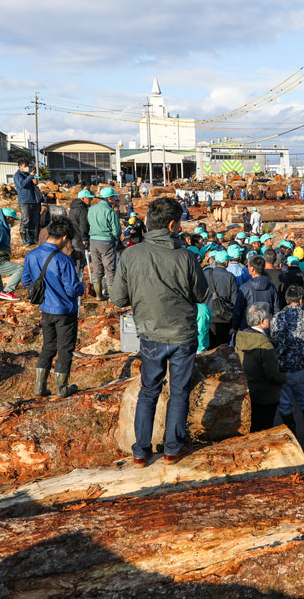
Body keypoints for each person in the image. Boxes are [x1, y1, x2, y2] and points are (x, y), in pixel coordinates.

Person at [111, 197, 209, 467]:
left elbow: (118, 298)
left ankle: (141, 452)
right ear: (172, 225)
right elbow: (202, 295)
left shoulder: (130, 255)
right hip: (182, 334)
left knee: (149, 391)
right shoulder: (186, 257)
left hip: (149, 333)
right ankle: (172, 450)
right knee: (179, 393)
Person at [21, 217, 85, 399]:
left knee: (48, 347)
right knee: (65, 349)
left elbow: (26, 281)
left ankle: (40, 388)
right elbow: (72, 289)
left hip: (46, 308)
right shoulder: (64, 260)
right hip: (65, 310)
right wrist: (82, 287)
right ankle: (62, 389)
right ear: (64, 237)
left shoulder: (31, 255)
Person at [270, 285, 304, 441]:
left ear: (286, 299)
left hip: (283, 368)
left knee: (284, 403)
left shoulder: (277, 318)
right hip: (303, 367)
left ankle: (292, 435)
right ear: (301, 299)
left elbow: (274, 342)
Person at [235, 302, 287, 431]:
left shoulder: (241, 337)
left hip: (248, 390)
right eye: (269, 316)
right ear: (262, 321)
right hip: (266, 395)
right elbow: (272, 374)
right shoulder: (265, 345)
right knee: (266, 428)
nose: (270, 318)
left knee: (253, 427)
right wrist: (284, 378)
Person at [87, 187, 123, 300]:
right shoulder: (110, 211)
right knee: (110, 269)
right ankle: (112, 296)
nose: (115, 199)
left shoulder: (91, 209)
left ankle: (99, 295)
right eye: (114, 197)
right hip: (106, 241)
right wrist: (116, 238)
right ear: (109, 198)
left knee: (97, 269)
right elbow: (116, 231)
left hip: (93, 241)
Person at [205, 250, 239, 349]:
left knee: (210, 347)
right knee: (223, 348)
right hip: (224, 317)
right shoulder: (230, 276)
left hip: (208, 315)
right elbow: (234, 300)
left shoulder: (206, 274)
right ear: (226, 262)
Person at [235, 255, 281, 329]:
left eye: (248, 266)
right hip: (266, 326)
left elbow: (238, 310)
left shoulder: (245, 288)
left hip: (248, 326)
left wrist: (234, 326)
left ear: (252, 268)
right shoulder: (272, 287)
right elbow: (276, 308)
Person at [14, 158, 41, 246]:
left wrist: (34, 179)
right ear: (20, 166)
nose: (27, 168)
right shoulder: (17, 175)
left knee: (34, 221)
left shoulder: (27, 175)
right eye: (25, 166)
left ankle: (33, 238)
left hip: (34, 200)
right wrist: (30, 177)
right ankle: (24, 239)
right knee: (26, 220)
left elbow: (32, 184)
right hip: (25, 201)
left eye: (27, 166)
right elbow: (22, 184)